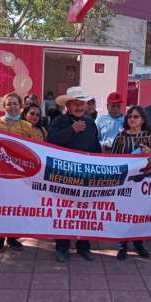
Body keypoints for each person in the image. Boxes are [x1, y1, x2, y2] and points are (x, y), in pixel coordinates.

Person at [47, 86, 101, 263]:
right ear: (68, 105)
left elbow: (96, 149)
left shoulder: (91, 124)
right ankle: (62, 248)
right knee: (64, 212)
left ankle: (83, 246)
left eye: (82, 103)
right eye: (75, 103)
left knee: (84, 212)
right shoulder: (58, 121)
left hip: (86, 177)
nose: (79, 107)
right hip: (63, 176)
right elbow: (50, 142)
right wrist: (72, 130)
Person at [0, 93, 36, 253]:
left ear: (21, 106)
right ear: (4, 106)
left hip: (19, 174)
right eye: (9, 103)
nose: (12, 107)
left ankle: (12, 237)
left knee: (15, 206)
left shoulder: (27, 126)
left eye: (15, 103)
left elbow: (33, 149)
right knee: (0, 204)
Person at [111, 105, 151, 260]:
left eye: (136, 116)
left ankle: (138, 243)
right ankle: (122, 245)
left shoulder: (149, 137)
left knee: (139, 213)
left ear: (143, 120)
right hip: (125, 181)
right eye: (129, 116)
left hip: (142, 182)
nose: (132, 119)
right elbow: (112, 159)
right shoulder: (120, 137)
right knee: (123, 213)